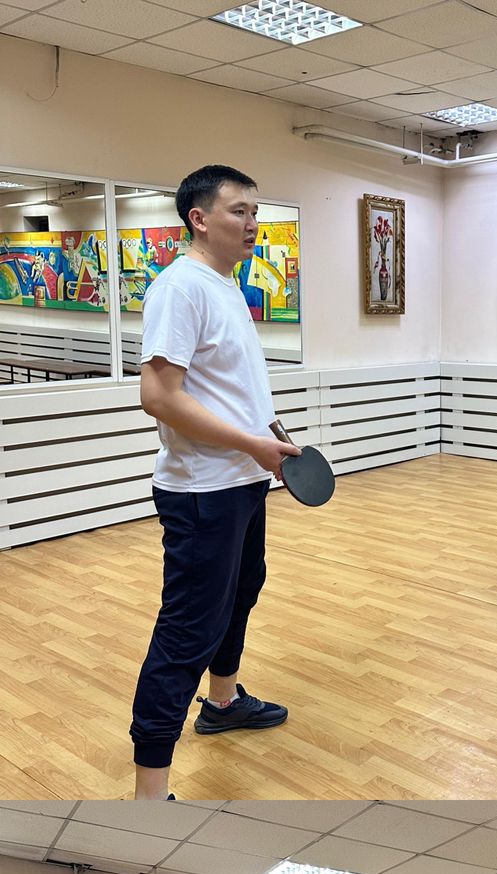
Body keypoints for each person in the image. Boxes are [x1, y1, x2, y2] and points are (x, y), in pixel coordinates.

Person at [131, 163, 300, 800]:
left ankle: (223, 703)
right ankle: (151, 791)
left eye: (256, 211)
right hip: (202, 488)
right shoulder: (182, 288)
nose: (253, 223)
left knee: (243, 591)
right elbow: (159, 397)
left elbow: (229, 388)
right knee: (186, 631)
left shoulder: (226, 285)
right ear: (199, 219)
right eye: (239, 211)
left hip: (242, 479)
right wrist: (254, 444)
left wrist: (273, 436)